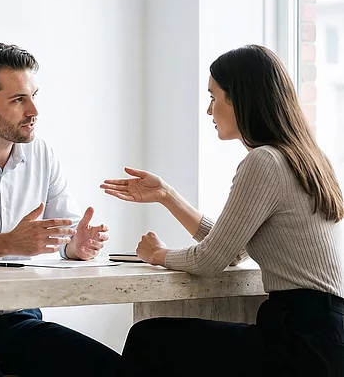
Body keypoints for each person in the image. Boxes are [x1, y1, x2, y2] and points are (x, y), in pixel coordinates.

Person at [101, 44, 344, 376]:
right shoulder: (305, 157)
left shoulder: (264, 161)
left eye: (214, 97)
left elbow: (210, 260)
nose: (208, 111)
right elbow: (235, 249)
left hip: (299, 341)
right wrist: (167, 195)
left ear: (239, 99)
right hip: (326, 336)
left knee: (149, 338)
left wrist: (158, 254)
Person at [0, 42, 121, 377]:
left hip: (21, 316)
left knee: (116, 370)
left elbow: (62, 234)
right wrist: (8, 242)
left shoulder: (42, 155)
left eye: (34, 95)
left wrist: (77, 244)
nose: (34, 110)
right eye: (18, 99)